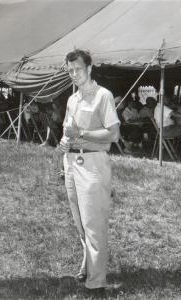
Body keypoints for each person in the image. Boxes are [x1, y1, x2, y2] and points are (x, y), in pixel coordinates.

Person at [59, 49, 120, 293]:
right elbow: (67, 130)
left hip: (93, 165)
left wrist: (80, 135)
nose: (74, 74)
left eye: (78, 69)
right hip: (71, 163)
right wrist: (65, 142)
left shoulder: (103, 96)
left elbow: (113, 135)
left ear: (90, 68)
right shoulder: (72, 99)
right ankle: (87, 267)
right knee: (80, 223)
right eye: (70, 70)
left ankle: (96, 285)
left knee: (94, 225)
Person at [154, 95, 181, 159]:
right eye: (167, 98)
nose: (168, 100)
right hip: (166, 131)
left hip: (169, 130)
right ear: (162, 99)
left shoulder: (160, 107)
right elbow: (175, 114)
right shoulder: (161, 107)